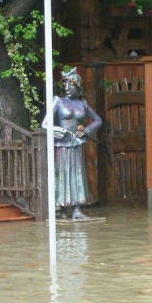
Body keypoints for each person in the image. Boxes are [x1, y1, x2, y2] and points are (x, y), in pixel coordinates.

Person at [42, 68, 102, 220]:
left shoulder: (83, 103)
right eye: (65, 85)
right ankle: (62, 208)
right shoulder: (58, 101)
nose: (67, 88)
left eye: (71, 85)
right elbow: (45, 124)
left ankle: (77, 209)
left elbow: (98, 120)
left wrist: (86, 130)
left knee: (77, 174)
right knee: (62, 174)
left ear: (78, 86)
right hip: (62, 143)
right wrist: (57, 130)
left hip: (76, 142)